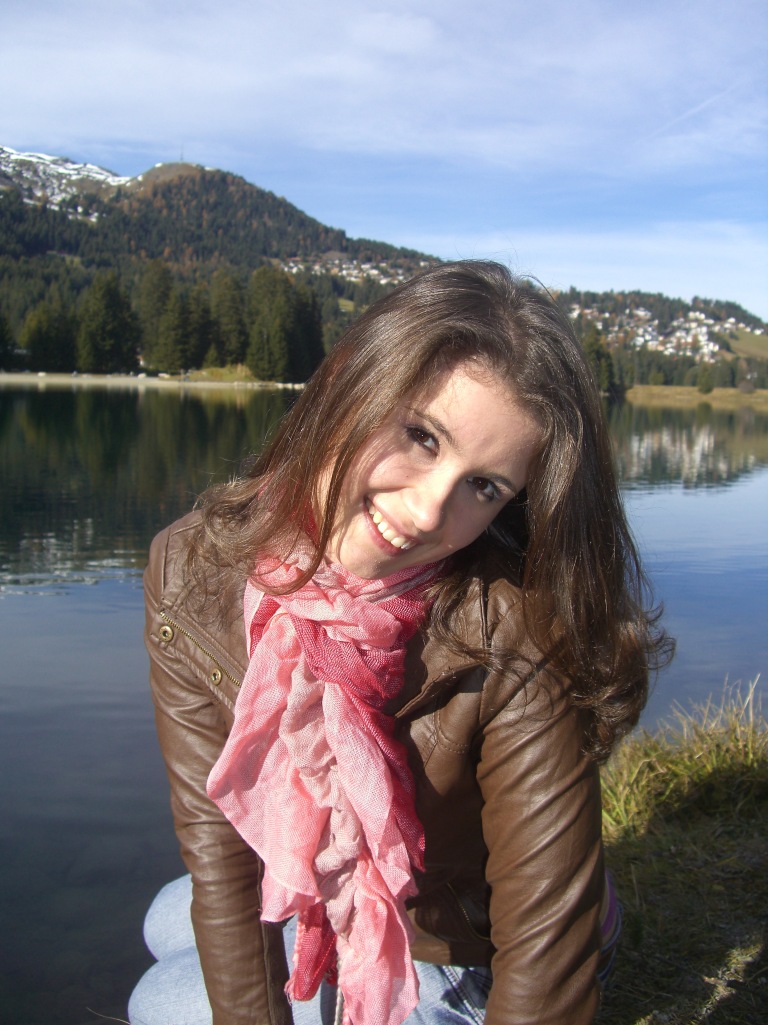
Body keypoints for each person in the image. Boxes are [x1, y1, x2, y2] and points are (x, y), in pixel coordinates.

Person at [130, 261, 669, 1025]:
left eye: (484, 486)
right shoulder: (190, 569)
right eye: (421, 436)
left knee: (159, 1001)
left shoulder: (517, 630)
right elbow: (220, 849)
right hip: (345, 880)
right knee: (170, 915)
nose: (426, 511)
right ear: (352, 382)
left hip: (464, 944)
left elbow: (547, 953)